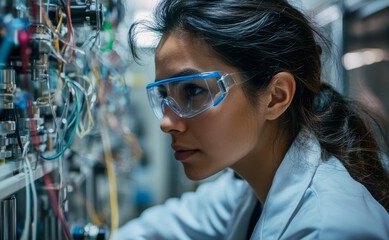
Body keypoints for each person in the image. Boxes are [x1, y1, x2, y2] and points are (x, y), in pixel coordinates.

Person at [115, 0, 389, 239]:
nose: (166, 123)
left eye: (193, 91)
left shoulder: (329, 229)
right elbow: (160, 227)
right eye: (163, 94)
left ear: (275, 97)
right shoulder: (247, 187)